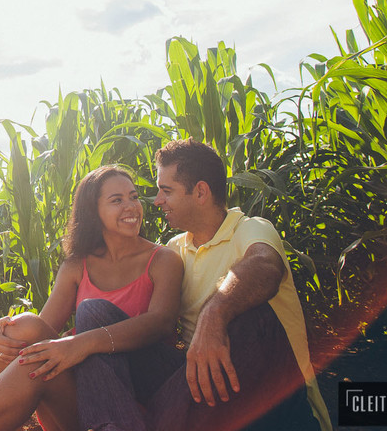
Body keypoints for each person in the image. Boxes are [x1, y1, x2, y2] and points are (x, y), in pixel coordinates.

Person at [0, 164, 185, 431]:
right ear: (93, 211)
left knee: (92, 312)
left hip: (145, 394)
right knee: (20, 330)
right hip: (86, 399)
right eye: (117, 200)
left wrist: (84, 343)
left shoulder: (163, 260)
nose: (131, 206)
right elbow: (36, 335)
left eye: (134, 197)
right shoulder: (77, 266)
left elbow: (161, 322)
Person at [141, 138, 333, 431]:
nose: (157, 200)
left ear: (201, 192)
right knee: (112, 330)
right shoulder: (174, 250)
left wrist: (214, 313)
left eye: (166, 191)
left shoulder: (251, 228)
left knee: (251, 316)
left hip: (277, 403)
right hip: (208, 395)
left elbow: (265, 266)